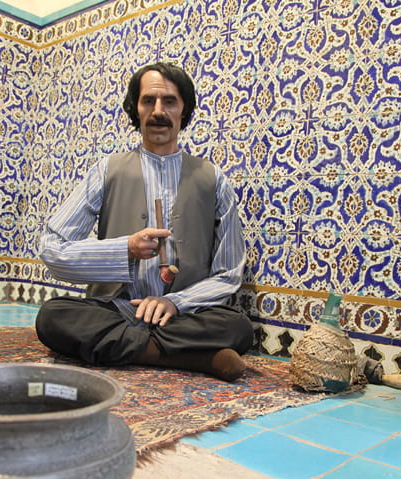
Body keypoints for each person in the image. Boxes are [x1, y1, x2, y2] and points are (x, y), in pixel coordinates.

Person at [35, 62, 254, 382]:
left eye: (169, 101)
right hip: (117, 310)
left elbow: (229, 273)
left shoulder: (212, 179)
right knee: (53, 317)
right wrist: (124, 249)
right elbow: (53, 250)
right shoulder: (106, 170)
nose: (158, 111)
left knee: (238, 327)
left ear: (184, 110)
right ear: (135, 109)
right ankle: (191, 358)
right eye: (148, 101)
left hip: (182, 316)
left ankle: (134, 348)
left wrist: (174, 302)